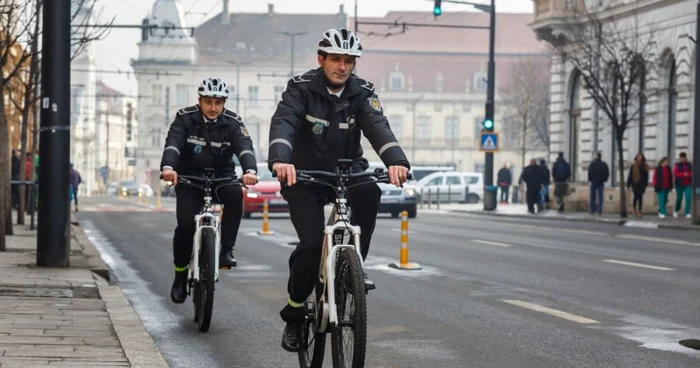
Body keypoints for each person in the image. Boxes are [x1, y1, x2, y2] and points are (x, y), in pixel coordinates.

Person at [268, 28, 410, 352]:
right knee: (311, 242)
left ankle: (354, 267)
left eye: (349, 61)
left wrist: (396, 161)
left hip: (347, 170)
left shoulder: (362, 92)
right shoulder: (300, 88)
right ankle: (294, 313)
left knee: (371, 191)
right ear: (321, 60)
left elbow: (377, 126)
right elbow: (284, 123)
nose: (342, 66)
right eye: (336, 59)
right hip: (304, 176)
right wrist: (280, 160)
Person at [160, 77, 259, 304]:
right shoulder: (184, 118)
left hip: (222, 178)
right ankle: (180, 274)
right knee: (185, 225)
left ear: (224, 103)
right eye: (208, 102)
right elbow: (173, 143)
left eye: (218, 102)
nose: (213, 108)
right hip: (190, 179)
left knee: (235, 194)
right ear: (200, 101)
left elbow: (244, 147)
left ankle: (226, 250)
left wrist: (250, 170)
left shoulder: (233, 122)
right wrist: (168, 168)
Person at [626, 153, 649, 218]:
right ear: (636, 158)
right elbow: (630, 175)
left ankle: (639, 211)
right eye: (638, 157)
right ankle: (634, 209)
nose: (639, 158)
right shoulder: (633, 165)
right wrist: (628, 184)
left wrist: (646, 183)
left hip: (642, 184)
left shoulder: (645, 165)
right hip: (635, 183)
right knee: (636, 196)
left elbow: (646, 176)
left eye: (640, 157)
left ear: (642, 158)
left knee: (640, 197)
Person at [673, 152, 692, 218]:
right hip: (679, 184)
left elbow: (692, 172)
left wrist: (688, 174)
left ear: (685, 157)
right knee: (679, 198)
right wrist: (683, 174)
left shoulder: (689, 164)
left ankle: (687, 212)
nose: (682, 159)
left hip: (688, 184)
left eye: (683, 157)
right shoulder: (677, 165)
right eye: (681, 158)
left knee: (688, 198)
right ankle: (676, 210)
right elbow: (675, 173)